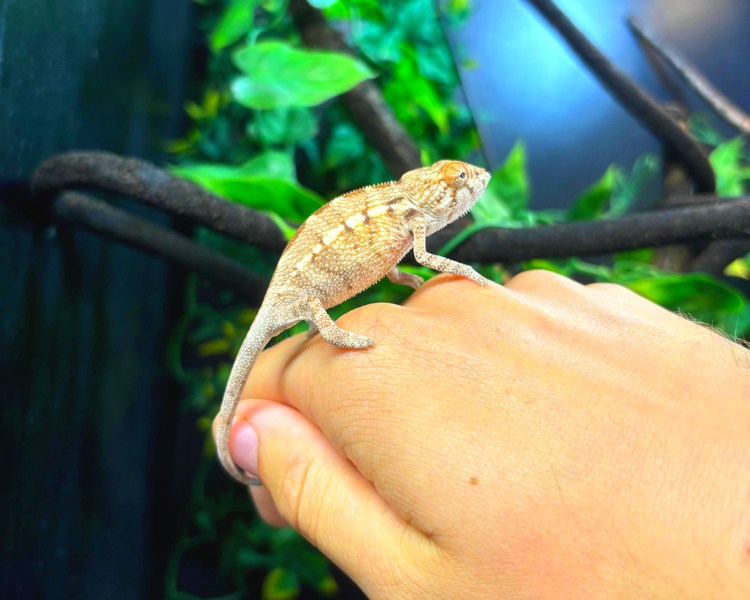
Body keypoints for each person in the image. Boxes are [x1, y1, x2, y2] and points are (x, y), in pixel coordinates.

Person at [214, 270, 750, 599]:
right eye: (460, 188)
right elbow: (419, 261)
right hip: (306, 295)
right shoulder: (405, 220)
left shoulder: (406, 220)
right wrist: (335, 333)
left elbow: (407, 266)